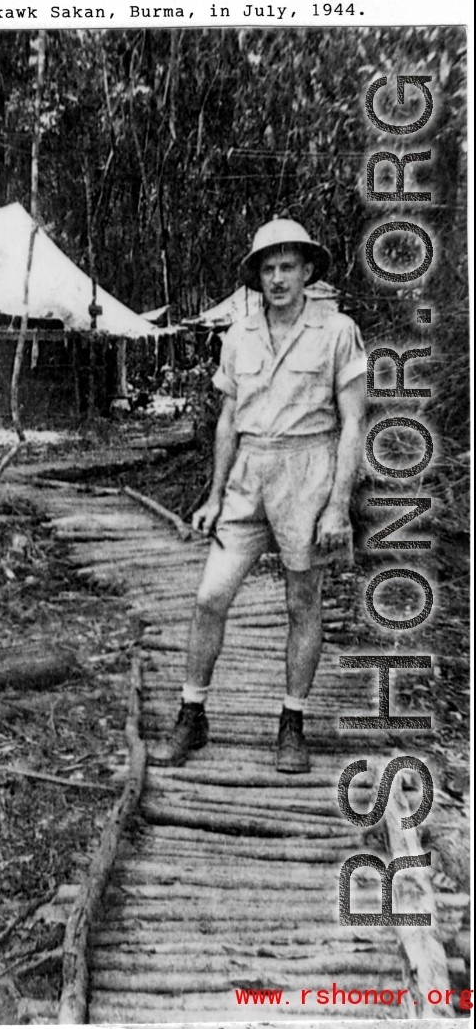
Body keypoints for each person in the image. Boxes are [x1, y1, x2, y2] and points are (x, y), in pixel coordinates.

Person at [150, 219, 367, 772]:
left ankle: (291, 724)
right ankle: (192, 714)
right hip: (249, 475)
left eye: (287, 267)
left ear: (308, 271)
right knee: (209, 597)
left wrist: (339, 503)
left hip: (308, 475)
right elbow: (227, 421)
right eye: (267, 269)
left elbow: (352, 424)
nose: (277, 278)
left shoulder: (338, 331)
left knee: (302, 604)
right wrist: (215, 494)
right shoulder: (238, 334)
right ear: (257, 277)